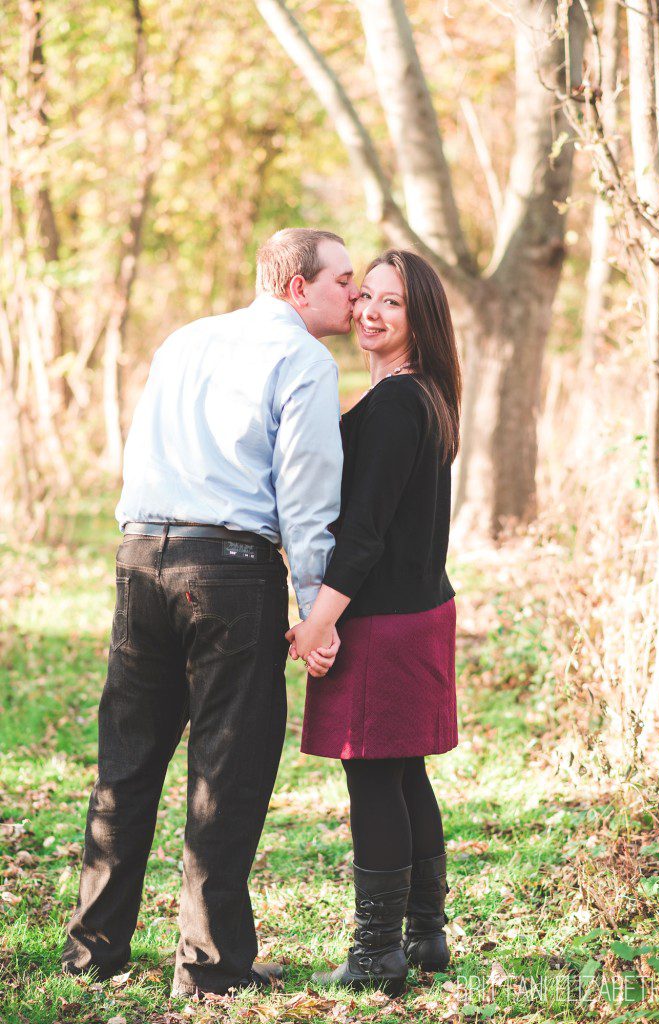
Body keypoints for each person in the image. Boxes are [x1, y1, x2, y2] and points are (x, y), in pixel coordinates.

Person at [62, 228, 359, 998]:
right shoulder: (302, 360)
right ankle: (212, 966)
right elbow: (306, 497)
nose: (354, 296)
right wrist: (313, 614)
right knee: (227, 769)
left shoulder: (186, 339)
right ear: (298, 287)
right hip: (228, 575)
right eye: (343, 282)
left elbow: (144, 451)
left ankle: (94, 953)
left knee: (125, 766)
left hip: (140, 560)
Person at [288, 249, 461, 997]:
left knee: (372, 778)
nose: (371, 312)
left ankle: (377, 955)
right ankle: (425, 937)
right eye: (367, 297)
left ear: (419, 318)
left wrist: (315, 626)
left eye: (392, 303)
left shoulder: (395, 405)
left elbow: (364, 536)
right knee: (403, 772)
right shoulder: (420, 395)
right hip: (419, 612)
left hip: (386, 620)